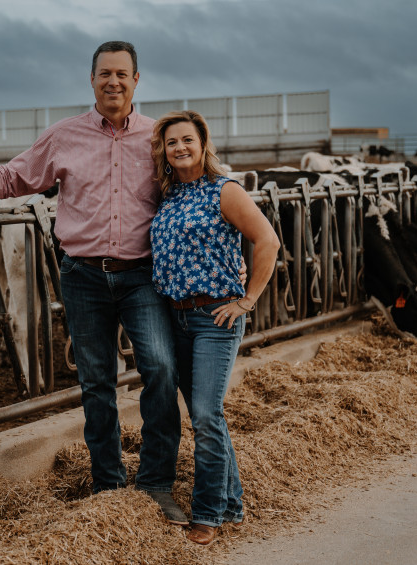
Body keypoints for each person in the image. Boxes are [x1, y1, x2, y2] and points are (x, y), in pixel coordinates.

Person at [0, 41, 189, 525]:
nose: (114, 81)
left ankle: (155, 483)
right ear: (91, 80)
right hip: (84, 276)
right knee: (96, 382)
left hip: (143, 277)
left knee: (161, 369)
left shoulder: (158, 137)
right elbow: (12, 179)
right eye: (105, 73)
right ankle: (108, 484)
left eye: (123, 74)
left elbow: (201, 185)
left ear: (137, 81)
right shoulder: (64, 136)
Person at [149, 110, 280, 545]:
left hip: (216, 318)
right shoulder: (167, 198)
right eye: (172, 143)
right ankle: (233, 502)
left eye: (188, 139)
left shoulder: (224, 190)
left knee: (205, 414)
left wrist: (247, 300)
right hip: (176, 316)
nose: (180, 148)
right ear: (164, 152)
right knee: (208, 416)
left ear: (203, 145)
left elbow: (268, 240)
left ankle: (208, 513)